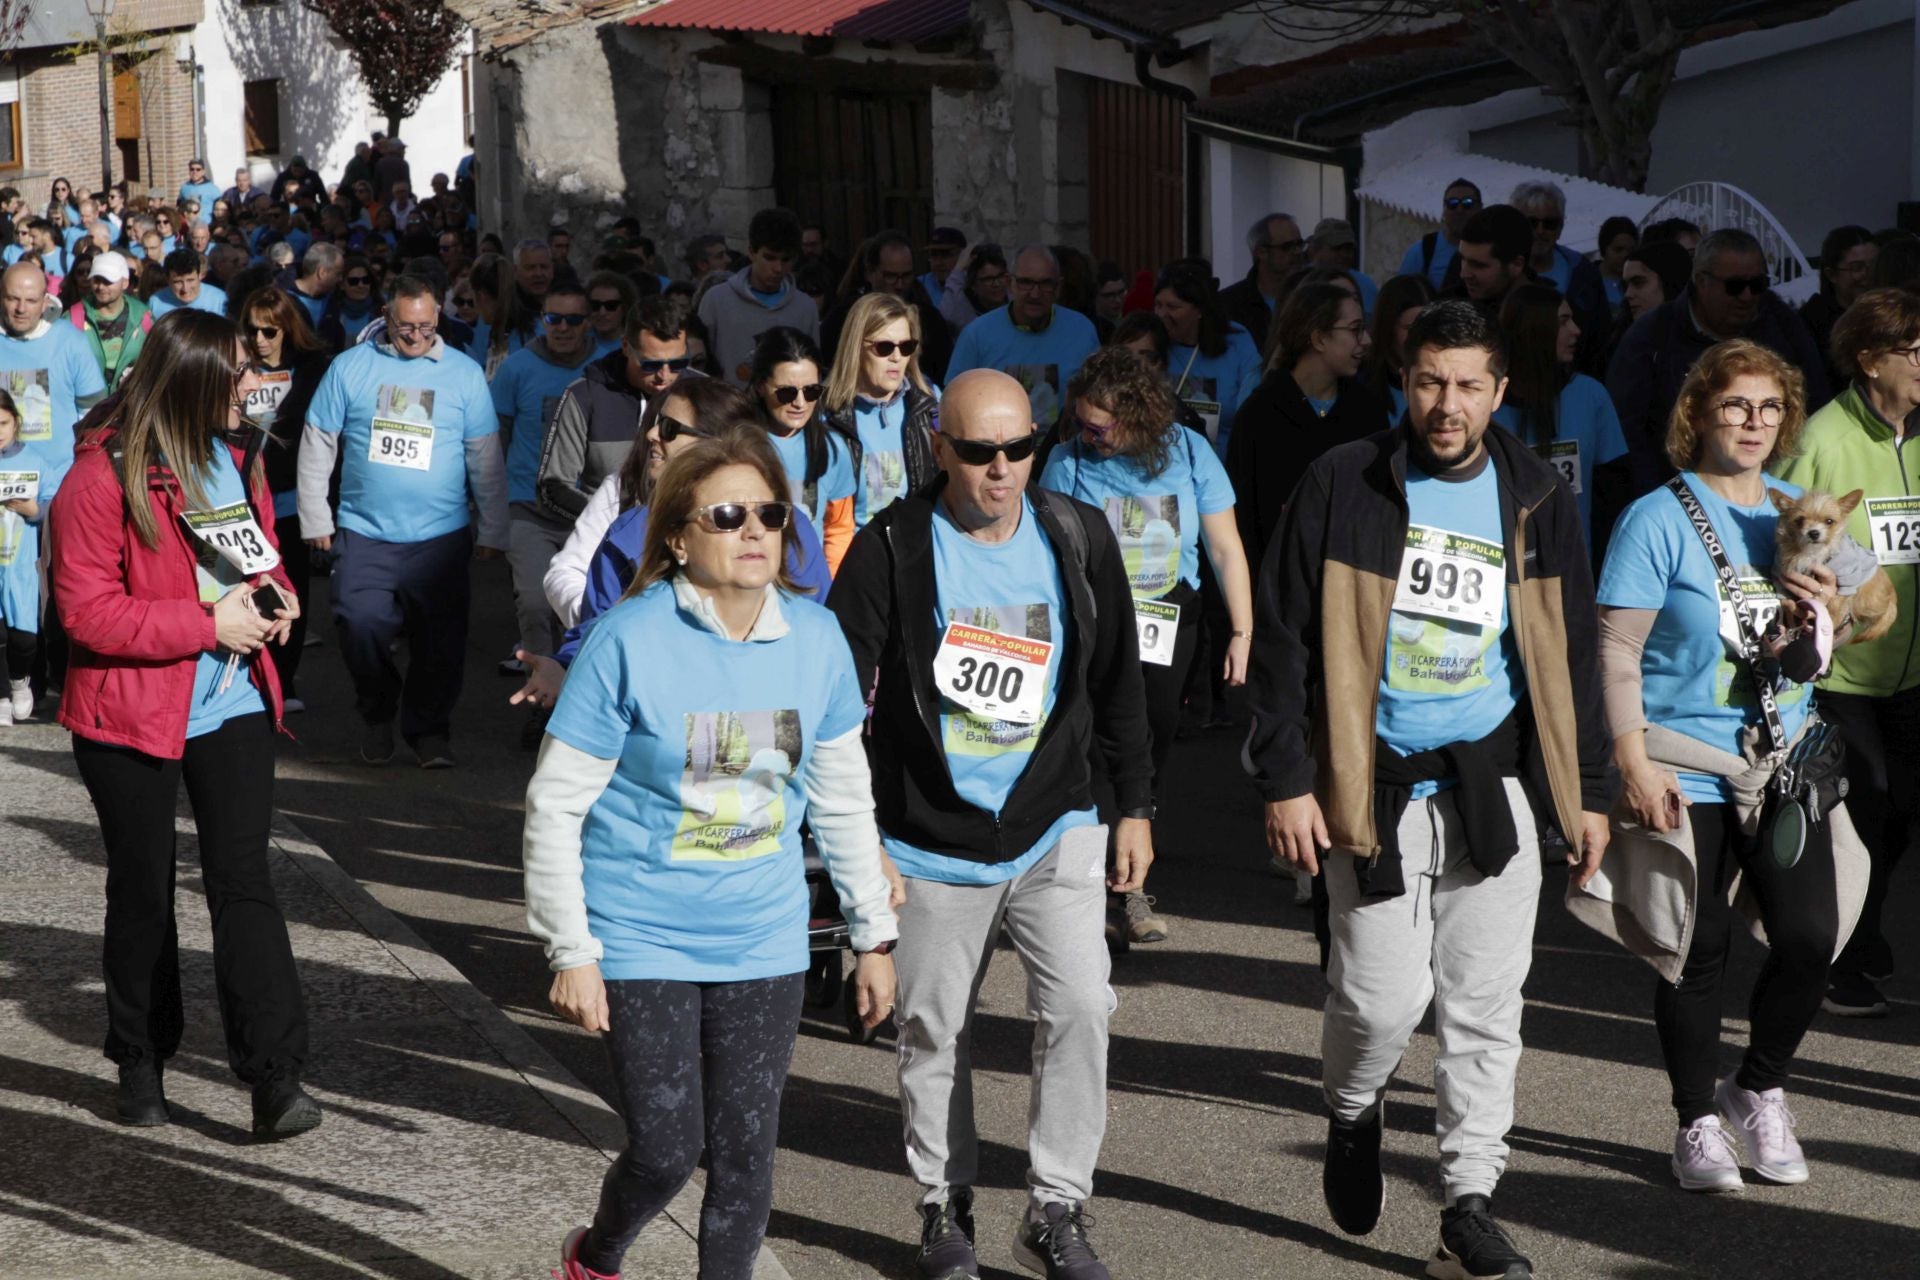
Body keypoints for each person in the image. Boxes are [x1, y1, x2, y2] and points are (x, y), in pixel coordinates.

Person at [1248, 300, 1612, 1279]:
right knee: (1377, 1002)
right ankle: (1353, 1107)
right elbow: (1281, 638)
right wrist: (1286, 778)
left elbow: (1572, 653)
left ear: (1499, 391)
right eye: (1428, 382)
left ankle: (1467, 1202)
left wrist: (1588, 790)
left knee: (1488, 1008)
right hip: (1372, 787)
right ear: (1404, 383)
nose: (1446, 404)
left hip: (1490, 783)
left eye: (1466, 385)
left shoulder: (1535, 493)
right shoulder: (1345, 480)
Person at [525, 425, 898, 1280]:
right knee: (665, 1150)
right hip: (643, 932)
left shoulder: (817, 640)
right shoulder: (628, 640)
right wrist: (570, 949)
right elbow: (554, 805)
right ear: (679, 535)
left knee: (745, 1161)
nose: (755, 530)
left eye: (770, 512)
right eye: (728, 515)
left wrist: (872, 938)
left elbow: (842, 798)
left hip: (764, 937)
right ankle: (598, 1254)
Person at [827, 368, 1153, 1280]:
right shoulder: (893, 547)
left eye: (1019, 448)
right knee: (935, 1029)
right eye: (977, 452)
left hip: (1057, 820)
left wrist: (1137, 808)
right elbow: (833, 703)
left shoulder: (1074, 533)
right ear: (940, 450)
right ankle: (944, 1207)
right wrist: (858, 852)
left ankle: (1057, 1209)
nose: (1001, 468)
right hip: (931, 834)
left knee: (1083, 1006)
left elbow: (1119, 680)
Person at [1581, 339, 1856, 1193]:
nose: (1753, 422)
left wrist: (1829, 619)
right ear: (1698, 411)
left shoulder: (1803, 509)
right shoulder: (1656, 517)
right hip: (1681, 756)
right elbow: (1617, 648)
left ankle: (1758, 1087)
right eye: (1736, 405)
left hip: (1782, 758)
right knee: (1696, 944)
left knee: (1813, 936)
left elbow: (1856, 622)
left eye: (1770, 409)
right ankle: (1696, 1119)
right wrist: (1629, 758)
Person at [50, 308, 319, 1138]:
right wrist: (207, 628)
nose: (252, 385)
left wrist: (277, 597)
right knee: (143, 888)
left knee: (244, 883)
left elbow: (259, 552)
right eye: (236, 373)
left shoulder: (234, 455)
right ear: (193, 382)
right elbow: (87, 615)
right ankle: (139, 1061)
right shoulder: (98, 480)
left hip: (232, 700)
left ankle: (275, 1080)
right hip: (130, 713)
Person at [1040, 346, 1253, 944]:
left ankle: (1131, 878)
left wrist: (1241, 632)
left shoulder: (1188, 451)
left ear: (1137, 416)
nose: (1088, 435)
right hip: (1094, 624)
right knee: (1088, 750)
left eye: (1099, 426)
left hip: (1167, 621)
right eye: (1080, 422)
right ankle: (1097, 887)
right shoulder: (1066, 461)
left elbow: (1226, 548)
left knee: (1147, 746)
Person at [1773, 288, 1920, 1018]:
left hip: (1914, 667)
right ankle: (1841, 956)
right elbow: (1784, 540)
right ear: (1870, 360)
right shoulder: (1822, 439)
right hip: (1845, 674)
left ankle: (1858, 939)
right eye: (1915, 351)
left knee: (1900, 814)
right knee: (1865, 813)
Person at [297, 274, 508, 769]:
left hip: (440, 536)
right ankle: (377, 709)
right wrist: (314, 517)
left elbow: (485, 458)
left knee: (441, 644)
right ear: (387, 318)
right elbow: (318, 443)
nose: (416, 337)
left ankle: (429, 731)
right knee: (358, 623)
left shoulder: (463, 373)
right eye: (407, 327)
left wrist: (494, 529)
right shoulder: (351, 367)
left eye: (427, 327)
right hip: (364, 530)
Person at [1607, 229, 1829, 496]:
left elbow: (1814, 407)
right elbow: (1628, 433)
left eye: (1757, 284)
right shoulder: (1652, 335)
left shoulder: (1783, 326)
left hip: (1769, 495)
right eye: (1735, 286)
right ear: (1701, 281)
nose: (1747, 296)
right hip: (1678, 496)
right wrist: (1663, 499)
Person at [1228, 282, 1387, 559]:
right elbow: (1243, 521)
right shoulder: (1259, 415)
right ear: (1319, 338)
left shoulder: (1368, 412)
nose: (1366, 340)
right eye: (1354, 329)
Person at [493, 281, 598, 677]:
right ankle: (542, 699)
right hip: (528, 508)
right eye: (555, 319)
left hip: (590, 511)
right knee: (536, 603)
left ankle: (582, 694)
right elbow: (495, 438)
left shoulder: (606, 366)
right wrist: (490, 509)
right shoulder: (517, 367)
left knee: (589, 607)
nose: (564, 328)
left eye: (574, 319)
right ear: (543, 321)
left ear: (588, 323)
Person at [241, 286, 331, 713]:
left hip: (292, 497)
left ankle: (284, 678)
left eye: (269, 331)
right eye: (253, 330)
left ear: (286, 330)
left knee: (291, 587)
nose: (260, 339)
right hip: (242, 494)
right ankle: (249, 675)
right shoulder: (237, 368)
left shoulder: (312, 369)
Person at [1493, 283, 1629, 549]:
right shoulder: (1488, 405)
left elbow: (1614, 494)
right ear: (1534, 330)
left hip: (1578, 569)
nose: (1575, 331)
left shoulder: (1590, 395)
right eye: (1563, 321)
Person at [537, 294, 691, 531]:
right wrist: (613, 524)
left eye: (678, 364)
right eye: (650, 365)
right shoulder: (584, 395)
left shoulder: (704, 396)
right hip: (605, 541)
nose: (665, 375)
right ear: (626, 347)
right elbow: (553, 488)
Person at [947, 245, 1098, 436]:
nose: (1035, 294)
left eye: (1045, 284)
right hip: (998, 458)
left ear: (1058, 287)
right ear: (1010, 283)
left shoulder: (1082, 331)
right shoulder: (977, 334)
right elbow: (952, 403)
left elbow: (1099, 399)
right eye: (1026, 283)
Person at [824, 291, 940, 529]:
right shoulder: (825, 414)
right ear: (856, 347)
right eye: (884, 347)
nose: (897, 357)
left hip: (915, 550)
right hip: (854, 555)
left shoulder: (931, 403)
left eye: (906, 346)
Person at [749, 325, 857, 573]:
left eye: (811, 391)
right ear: (760, 387)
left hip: (810, 589)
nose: (800, 403)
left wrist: (828, 585)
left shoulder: (833, 448)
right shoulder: (736, 444)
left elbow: (838, 529)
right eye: (786, 392)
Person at [697, 207, 816, 387]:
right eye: (769, 258)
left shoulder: (805, 307)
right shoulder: (716, 301)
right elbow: (701, 366)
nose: (778, 268)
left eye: (786, 260)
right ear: (751, 252)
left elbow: (812, 370)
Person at [1154, 261, 1262, 457]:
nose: (1162, 314)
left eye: (1172, 307)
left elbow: (1254, 408)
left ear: (1199, 310)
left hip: (1222, 469)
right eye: (1158, 305)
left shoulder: (1236, 342)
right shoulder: (1151, 342)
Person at [0, 261, 110, 452]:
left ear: (45, 302)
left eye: (31, 300)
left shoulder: (70, 341)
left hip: (59, 474)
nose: (21, 308)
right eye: (13, 298)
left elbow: (94, 414)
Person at [821, 230, 953, 384]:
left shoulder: (930, 320)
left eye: (906, 276)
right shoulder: (843, 318)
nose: (899, 284)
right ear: (870, 273)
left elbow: (942, 372)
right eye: (891, 276)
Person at [0, 388, 57, 723]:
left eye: (3, 423)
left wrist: (35, 509)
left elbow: (55, 502)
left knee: (24, 636)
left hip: (21, 564)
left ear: (16, 423)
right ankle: (4, 696)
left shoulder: (35, 461)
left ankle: (21, 682)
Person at [1508, 180, 1608, 332]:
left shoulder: (1584, 273)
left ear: (1561, 227)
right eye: (1531, 223)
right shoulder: (1500, 270)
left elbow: (1600, 334)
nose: (1540, 231)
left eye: (1550, 224)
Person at [1798, 225, 1876, 392]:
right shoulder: (1811, 321)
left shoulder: (1886, 314)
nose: (1867, 275)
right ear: (1832, 274)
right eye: (1857, 267)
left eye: (1873, 265)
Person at [1220, 212, 1307, 350]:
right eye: (1287, 247)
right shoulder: (1228, 305)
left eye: (1299, 244)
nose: (1297, 252)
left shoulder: (1312, 297)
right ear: (1261, 252)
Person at [71, 251, 151, 390]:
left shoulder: (143, 317)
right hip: (88, 404)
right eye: (96, 280)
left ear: (125, 283)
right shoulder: (73, 317)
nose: (101, 287)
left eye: (108, 281)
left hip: (129, 402)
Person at [1364, 273, 1436, 423]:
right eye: (1411, 328)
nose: (1421, 337)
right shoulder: (1361, 386)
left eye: (1429, 326)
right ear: (1387, 329)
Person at [1397, 178, 1481, 290]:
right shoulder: (1422, 252)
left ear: (1480, 208)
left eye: (1467, 203)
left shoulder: (1491, 250)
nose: (1459, 210)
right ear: (1444, 210)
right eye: (1452, 203)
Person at [1451, 204, 1533, 316]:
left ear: (1516, 265)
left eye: (1478, 265)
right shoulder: (1451, 305)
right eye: (1462, 259)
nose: (1464, 274)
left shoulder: (1552, 314)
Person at [1306, 218, 1378, 316]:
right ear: (1317, 248)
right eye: (1337, 248)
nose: (1344, 254)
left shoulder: (1366, 286)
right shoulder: (1299, 283)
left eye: (1348, 248)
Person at [937, 242, 1009, 336]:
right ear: (973, 286)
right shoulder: (964, 312)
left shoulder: (1015, 301)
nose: (996, 284)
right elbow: (944, 315)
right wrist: (959, 268)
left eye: (1000, 276)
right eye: (988, 279)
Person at [148, 249, 229, 318]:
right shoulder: (155, 303)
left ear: (200, 275)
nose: (185, 288)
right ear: (168, 280)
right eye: (178, 282)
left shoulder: (219, 300)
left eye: (190, 280)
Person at [290, 242, 344, 338]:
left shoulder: (332, 303)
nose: (341, 279)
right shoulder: (283, 299)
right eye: (338, 274)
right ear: (322, 272)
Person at [584, 269, 635, 360]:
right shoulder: (580, 340)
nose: (602, 313)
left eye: (611, 306)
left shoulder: (636, 344)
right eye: (595, 305)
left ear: (625, 308)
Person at [1595, 215, 1639, 313]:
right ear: (1604, 249)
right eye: (1618, 250)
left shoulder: (1641, 281)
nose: (1625, 255)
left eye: (1631, 250)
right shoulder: (1585, 282)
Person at [922, 226, 966, 304]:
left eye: (946, 255)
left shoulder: (974, 287)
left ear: (962, 256)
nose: (938, 262)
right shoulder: (920, 286)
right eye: (933, 255)